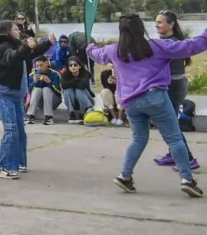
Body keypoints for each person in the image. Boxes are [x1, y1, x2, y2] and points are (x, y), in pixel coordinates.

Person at [87, 14, 207, 198]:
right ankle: (187, 180)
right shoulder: (158, 46)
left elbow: (96, 54)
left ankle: (125, 176)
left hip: (130, 103)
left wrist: (89, 46)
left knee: (138, 139)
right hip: (155, 97)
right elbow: (191, 46)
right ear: (141, 28)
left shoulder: (114, 50)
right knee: (174, 139)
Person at [0, 20, 51, 179]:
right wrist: (25, 47)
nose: (18, 31)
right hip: (4, 94)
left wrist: (48, 42)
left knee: (20, 132)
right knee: (11, 130)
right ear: (6, 32)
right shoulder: (3, 48)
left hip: (16, 95)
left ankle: (19, 163)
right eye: (15, 29)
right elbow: (13, 58)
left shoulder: (15, 46)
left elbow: (30, 54)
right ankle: (1, 167)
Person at [151, 11, 199, 171]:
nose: (156, 25)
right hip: (173, 85)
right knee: (169, 122)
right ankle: (173, 154)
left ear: (171, 24)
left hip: (173, 86)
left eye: (160, 22)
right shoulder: (166, 41)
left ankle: (188, 158)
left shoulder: (172, 43)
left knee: (170, 124)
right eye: (156, 22)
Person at [27, 56, 62, 125]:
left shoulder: (55, 74)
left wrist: (50, 82)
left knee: (46, 89)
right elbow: (28, 93)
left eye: (41, 65)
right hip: (40, 103)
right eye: (37, 66)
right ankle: (30, 115)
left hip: (54, 102)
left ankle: (49, 117)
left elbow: (59, 91)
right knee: (37, 90)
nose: (39, 67)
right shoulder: (32, 75)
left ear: (46, 63)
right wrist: (34, 82)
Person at [61, 57, 95, 124]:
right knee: (67, 90)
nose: (73, 67)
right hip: (73, 104)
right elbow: (63, 86)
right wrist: (76, 80)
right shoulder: (65, 74)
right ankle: (72, 113)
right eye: (70, 65)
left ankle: (83, 113)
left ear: (79, 66)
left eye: (75, 65)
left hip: (87, 101)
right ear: (68, 67)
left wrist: (70, 83)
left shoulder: (85, 73)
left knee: (79, 90)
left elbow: (82, 86)